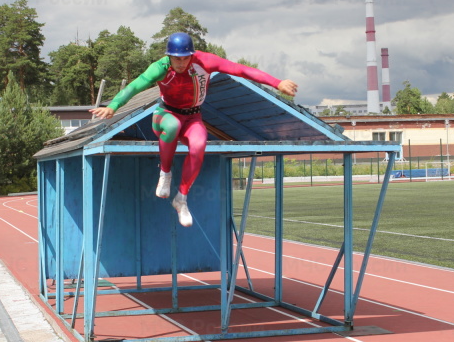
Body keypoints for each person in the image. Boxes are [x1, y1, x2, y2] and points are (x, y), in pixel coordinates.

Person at [90, 32, 298, 227]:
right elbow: (135, 86)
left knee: (200, 145)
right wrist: (113, 106)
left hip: (193, 116)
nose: (180, 63)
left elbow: (240, 69)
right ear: (169, 56)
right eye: (176, 59)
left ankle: (181, 199)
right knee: (172, 126)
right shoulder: (160, 67)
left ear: (191, 55)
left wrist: (276, 82)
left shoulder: (204, 61)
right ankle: (165, 173)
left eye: (185, 58)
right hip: (165, 115)